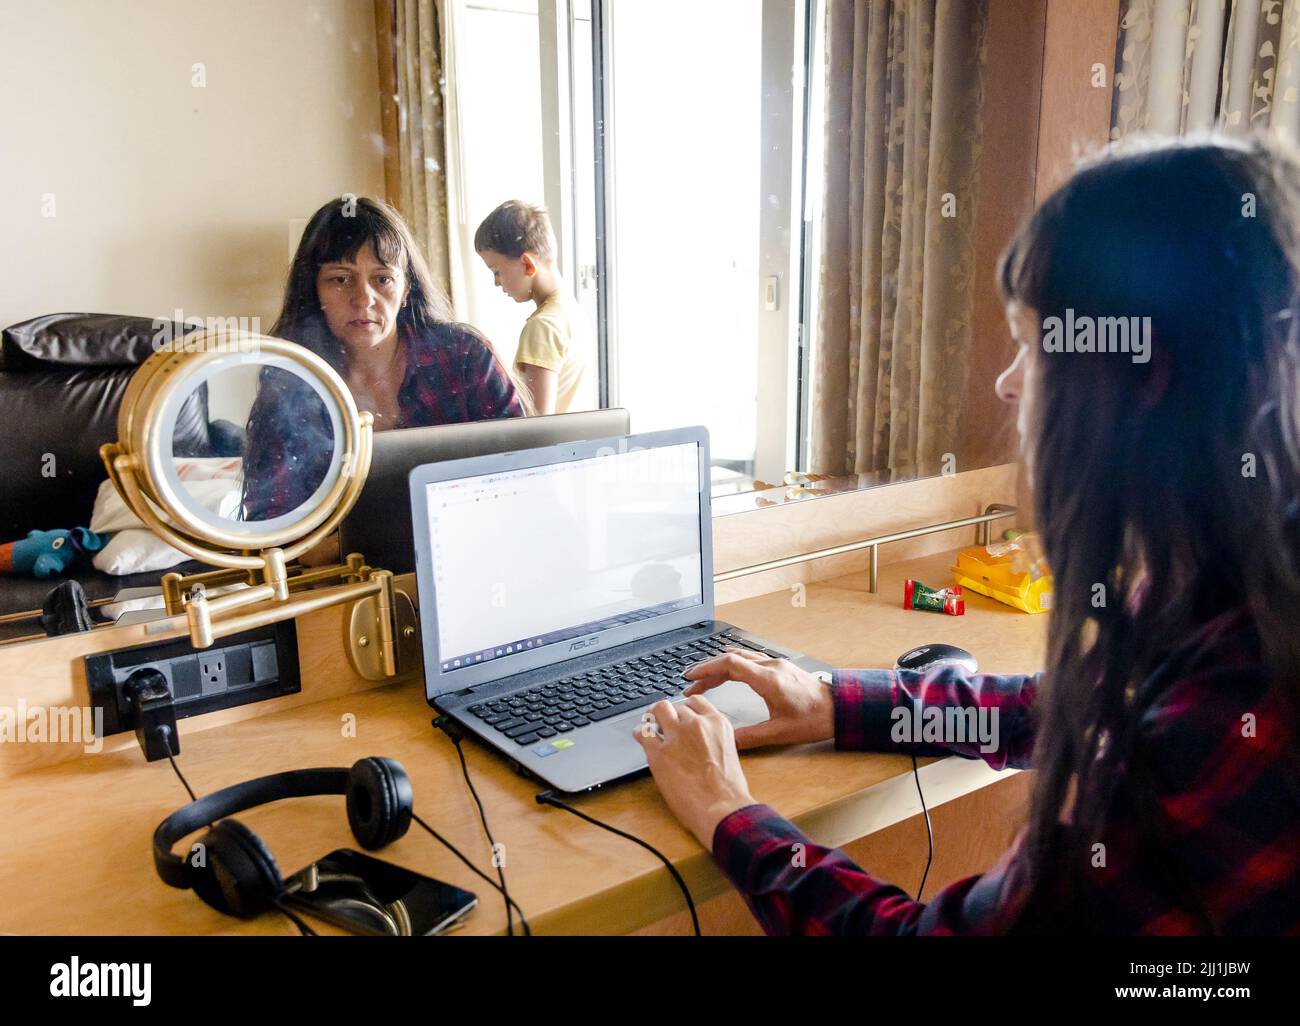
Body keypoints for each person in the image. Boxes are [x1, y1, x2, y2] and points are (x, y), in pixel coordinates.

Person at [635, 135, 1300, 934]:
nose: (1007, 383)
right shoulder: (1240, 575)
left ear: (1144, 373)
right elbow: (1068, 708)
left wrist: (724, 809)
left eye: (1032, 344)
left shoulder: (1220, 716)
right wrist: (838, 702)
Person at [241, 196, 527, 529]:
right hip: (347, 575)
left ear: (407, 289)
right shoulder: (293, 379)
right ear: (314, 290)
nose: (363, 298)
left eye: (382, 279)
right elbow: (270, 521)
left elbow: (522, 471)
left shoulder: (463, 356)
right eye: (340, 278)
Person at [475, 200, 591, 415]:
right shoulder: (573, 314)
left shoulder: (542, 327)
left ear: (528, 265)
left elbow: (537, 423)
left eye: (496, 271)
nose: (496, 282)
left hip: (551, 448)